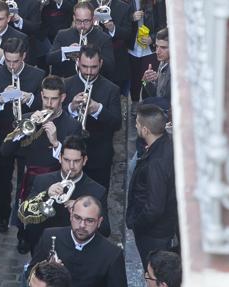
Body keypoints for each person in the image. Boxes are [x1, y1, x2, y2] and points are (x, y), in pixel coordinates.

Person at [0, 75, 81, 253]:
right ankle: (25, 237)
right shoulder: (29, 118)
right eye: (46, 98)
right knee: (28, 222)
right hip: (29, 180)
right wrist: (23, 130)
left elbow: (74, 164)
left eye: (54, 99)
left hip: (55, 183)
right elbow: (5, 151)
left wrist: (55, 142)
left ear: (63, 98)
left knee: (50, 228)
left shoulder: (71, 125)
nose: (49, 104)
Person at [0, 37, 44, 234]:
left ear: (24, 56)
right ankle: (3, 213)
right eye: (8, 61)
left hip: (29, 137)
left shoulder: (37, 75)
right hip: (3, 135)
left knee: (26, 182)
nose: (11, 66)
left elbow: (45, 108)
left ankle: (24, 224)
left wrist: (29, 97)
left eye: (15, 61)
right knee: (2, 179)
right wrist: (1, 99)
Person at [20, 135, 110, 253]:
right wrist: (46, 194)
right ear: (60, 158)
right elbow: (24, 215)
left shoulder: (97, 190)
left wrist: (83, 211)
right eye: (67, 160)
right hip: (44, 248)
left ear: (85, 160)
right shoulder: (42, 181)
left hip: (77, 252)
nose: (71, 167)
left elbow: (105, 230)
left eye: (76, 161)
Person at [29, 196, 127, 287]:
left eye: (89, 220)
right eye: (77, 218)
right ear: (71, 215)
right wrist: (45, 268)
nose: (82, 225)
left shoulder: (112, 255)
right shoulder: (49, 236)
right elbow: (30, 273)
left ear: (99, 221)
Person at [63, 45, 122, 189]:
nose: (89, 72)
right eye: (84, 66)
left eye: (94, 67)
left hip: (99, 157)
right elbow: (56, 117)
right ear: (77, 62)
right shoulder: (66, 84)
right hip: (71, 157)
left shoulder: (112, 89)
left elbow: (117, 124)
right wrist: (71, 107)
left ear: (101, 63)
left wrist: (98, 109)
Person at [126, 104, 177, 268]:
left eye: (137, 124)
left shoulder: (156, 163)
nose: (135, 126)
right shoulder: (167, 144)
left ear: (145, 130)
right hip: (162, 228)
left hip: (153, 234)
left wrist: (136, 223)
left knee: (153, 273)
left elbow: (154, 207)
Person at [47, 1, 115, 80]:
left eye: (86, 21)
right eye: (78, 21)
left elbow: (110, 67)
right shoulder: (63, 34)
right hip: (67, 84)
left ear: (93, 19)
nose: (82, 26)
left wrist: (93, 54)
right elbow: (49, 59)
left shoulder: (104, 38)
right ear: (74, 18)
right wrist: (67, 52)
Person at [127, 0, 167, 102]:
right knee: (134, 81)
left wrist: (153, 38)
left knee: (148, 80)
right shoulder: (127, 2)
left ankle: (148, 105)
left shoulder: (157, 2)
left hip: (150, 50)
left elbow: (163, 24)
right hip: (132, 48)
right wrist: (131, 17)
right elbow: (120, 20)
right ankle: (135, 106)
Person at [89, 0, 132, 91]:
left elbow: (128, 34)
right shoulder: (88, 6)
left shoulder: (124, 7)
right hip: (91, 57)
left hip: (117, 60)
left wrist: (113, 29)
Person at [141, 28, 170, 107]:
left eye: (163, 48)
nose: (157, 51)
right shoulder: (162, 63)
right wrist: (145, 81)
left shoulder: (178, 72)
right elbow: (156, 94)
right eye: (157, 46)